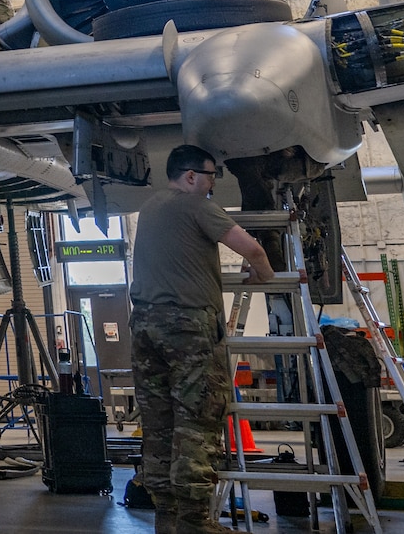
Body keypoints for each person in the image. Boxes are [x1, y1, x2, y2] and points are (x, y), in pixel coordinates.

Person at [130, 145, 276, 534]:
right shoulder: (195, 205)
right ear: (191, 176)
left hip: (144, 326)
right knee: (196, 423)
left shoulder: (150, 208)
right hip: (188, 327)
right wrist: (264, 273)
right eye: (211, 176)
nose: (213, 184)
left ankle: (166, 517)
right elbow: (252, 248)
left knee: (159, 426)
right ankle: (195, 522)